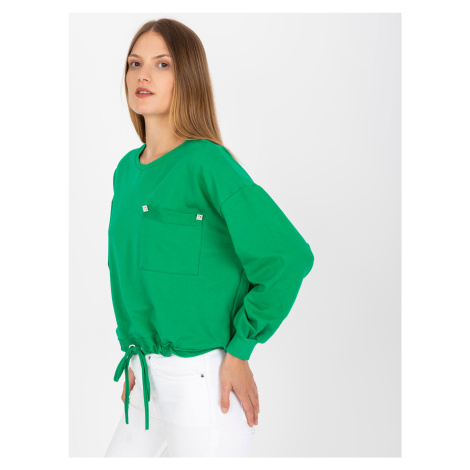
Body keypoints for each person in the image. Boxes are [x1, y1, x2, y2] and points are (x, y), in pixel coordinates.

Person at [104, 18, 315, 458]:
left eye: (162, 64)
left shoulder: (208, 163)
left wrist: (241, 350)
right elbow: (129, 273)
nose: (143, 75)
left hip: (204, 386)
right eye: (134, 63)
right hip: (144, 384)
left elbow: (287, 256)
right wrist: (134, 350)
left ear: (188, 77)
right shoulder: (126, 171)